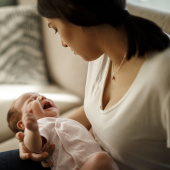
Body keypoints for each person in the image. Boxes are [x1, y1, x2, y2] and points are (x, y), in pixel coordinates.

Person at [0, 0, 170, 169]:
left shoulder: (163, 75)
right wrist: (36, 136)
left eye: (56, 29)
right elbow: (97, 111)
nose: (63, 44)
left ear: (73, 14)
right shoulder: (101, 52)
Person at [7, 92, 117, 170]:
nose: (42, 97)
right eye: (32, 100)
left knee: (102, 160)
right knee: (101, 159)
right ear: (22, 124)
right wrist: (32, 130)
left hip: (90, 162)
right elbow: (34, 147)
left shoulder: (66, 122)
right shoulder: (40, 125)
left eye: (41, 95)